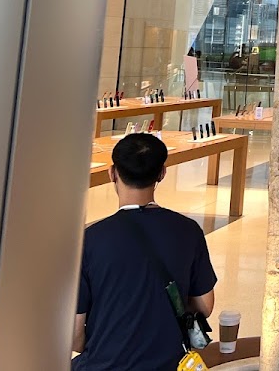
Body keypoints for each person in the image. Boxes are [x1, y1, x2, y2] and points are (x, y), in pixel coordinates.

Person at [72, 134, 217, 371]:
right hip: (170, 364)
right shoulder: (188, 230)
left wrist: (108, 347)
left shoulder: (90, 240)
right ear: (162, 173)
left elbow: (74, 334)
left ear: (112, 173)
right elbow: (205, 306)